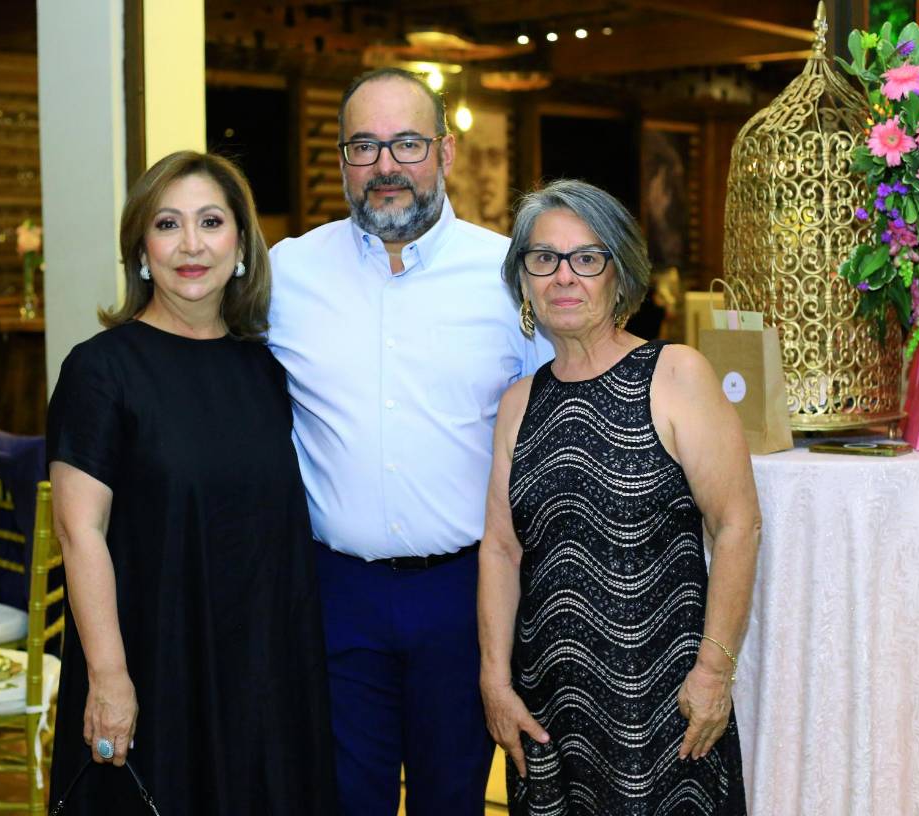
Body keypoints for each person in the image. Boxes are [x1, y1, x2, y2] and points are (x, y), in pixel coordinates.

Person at [268, 67, 553, 814]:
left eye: (407, 144)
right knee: (340, 800)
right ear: (341, 159)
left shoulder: (507, 276)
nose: (385, 165)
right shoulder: (287, 274)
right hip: (336, 594)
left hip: (464, 594)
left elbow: (560, 414)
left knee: (452, 799)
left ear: (445, 152)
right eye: (363, 146)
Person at [46, 150, 336, 813]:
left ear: (242, 245)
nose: (191, 245)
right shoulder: (100, 370)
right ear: (142, 251)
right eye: (167, 224)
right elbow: (79, 531)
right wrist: (109, 676)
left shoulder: (266, 369)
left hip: (262, 668)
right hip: (154, 661)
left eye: (210, 222)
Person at [478, 179, 760, 814]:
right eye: (543, 258)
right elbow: (501, 550)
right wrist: (495, 681)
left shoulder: (677, 374)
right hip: (550, 708)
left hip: (665, 706)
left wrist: (714, 672)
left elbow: (738, 524)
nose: (563, 276)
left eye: (586, 258)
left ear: (619, 273)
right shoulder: (517, 404)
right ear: (523, 280)